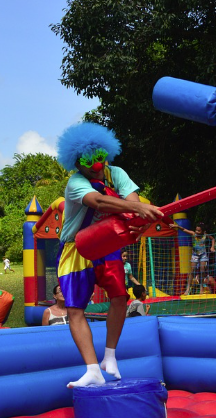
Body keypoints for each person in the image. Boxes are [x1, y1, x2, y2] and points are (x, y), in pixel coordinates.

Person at [54, 122, 163, 388]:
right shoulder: (75, 183)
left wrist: (141, 218)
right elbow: (99, 202)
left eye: (100, 156)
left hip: (107, 244)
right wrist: (136, 209)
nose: (96, 164)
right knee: (75, 308)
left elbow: (134, 204)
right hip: (76, 248)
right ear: (76, 162)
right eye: (88, 159)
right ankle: (92, 368)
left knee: (119, 296)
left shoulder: (116, 173)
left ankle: (109, 356)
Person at [170, 222, 215, 295]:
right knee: (192, 271)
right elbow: (184, 229)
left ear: (203, 231)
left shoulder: (205, 235)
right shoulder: (193, 234)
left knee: (202, 270)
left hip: (203, 254)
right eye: (196, 230)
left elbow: (212, 239)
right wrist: (177, 226)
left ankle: (201, 288)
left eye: (199, 231)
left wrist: (212, 247)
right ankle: (187, 288)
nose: (197, 232)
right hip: (195, 255)